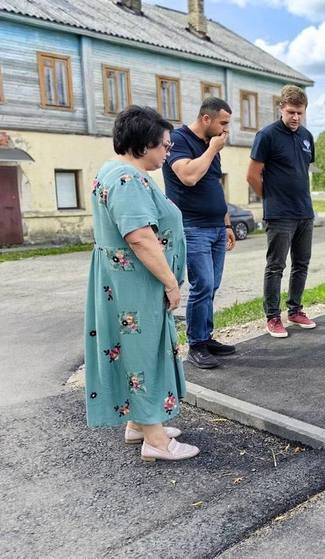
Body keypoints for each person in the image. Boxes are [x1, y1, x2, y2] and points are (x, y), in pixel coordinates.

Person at [85, 105, 199, 461]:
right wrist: (170, 283)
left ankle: (139, 424)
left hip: (124, 282)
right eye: (164, 146)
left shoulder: (113, 171)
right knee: (145, 351)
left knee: (138, 350)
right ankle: (156, 440)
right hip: (136, 283)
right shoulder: (127, 180)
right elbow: (140, 237)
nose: (168, 152)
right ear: (143, 144)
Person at [163, 97, 236, 368]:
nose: (226, 130)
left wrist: (227, 223)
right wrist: (213, 149)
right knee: (202, 284)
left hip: (216, 227)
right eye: (223, 123)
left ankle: (206, 337)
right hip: (193, 227)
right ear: (207, 119)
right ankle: (196, 346)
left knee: (212, 286)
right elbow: (188, 177)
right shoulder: (179, 140)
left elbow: (215, 185)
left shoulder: (211, 145)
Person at [247, 85, 316, 338]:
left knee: (301, 264)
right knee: (276, 266)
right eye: (290, 112)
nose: (295, 117)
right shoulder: (267, 136)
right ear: (281, 109)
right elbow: (252, 175)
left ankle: (295, 310)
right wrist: (271, 198)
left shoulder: (307, 136)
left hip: (304, 213)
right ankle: (273, 317)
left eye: (299, 112)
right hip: (279, 214)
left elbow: (301, 171)